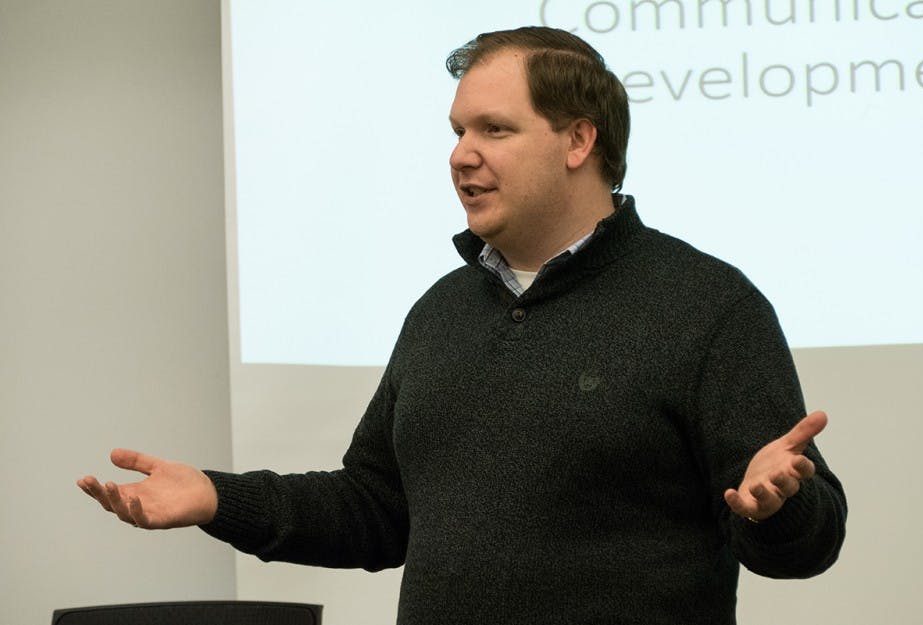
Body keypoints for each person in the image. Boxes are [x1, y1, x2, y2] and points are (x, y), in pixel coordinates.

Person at [78, 26, 846, 625]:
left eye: (494, 130)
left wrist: (783, 507)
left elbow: (806, 536)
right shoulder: (442, 310)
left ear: (580, 141)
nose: (461, 155)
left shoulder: (706, 305)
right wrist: (216, 497)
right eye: (456, 131)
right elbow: (376, 509)